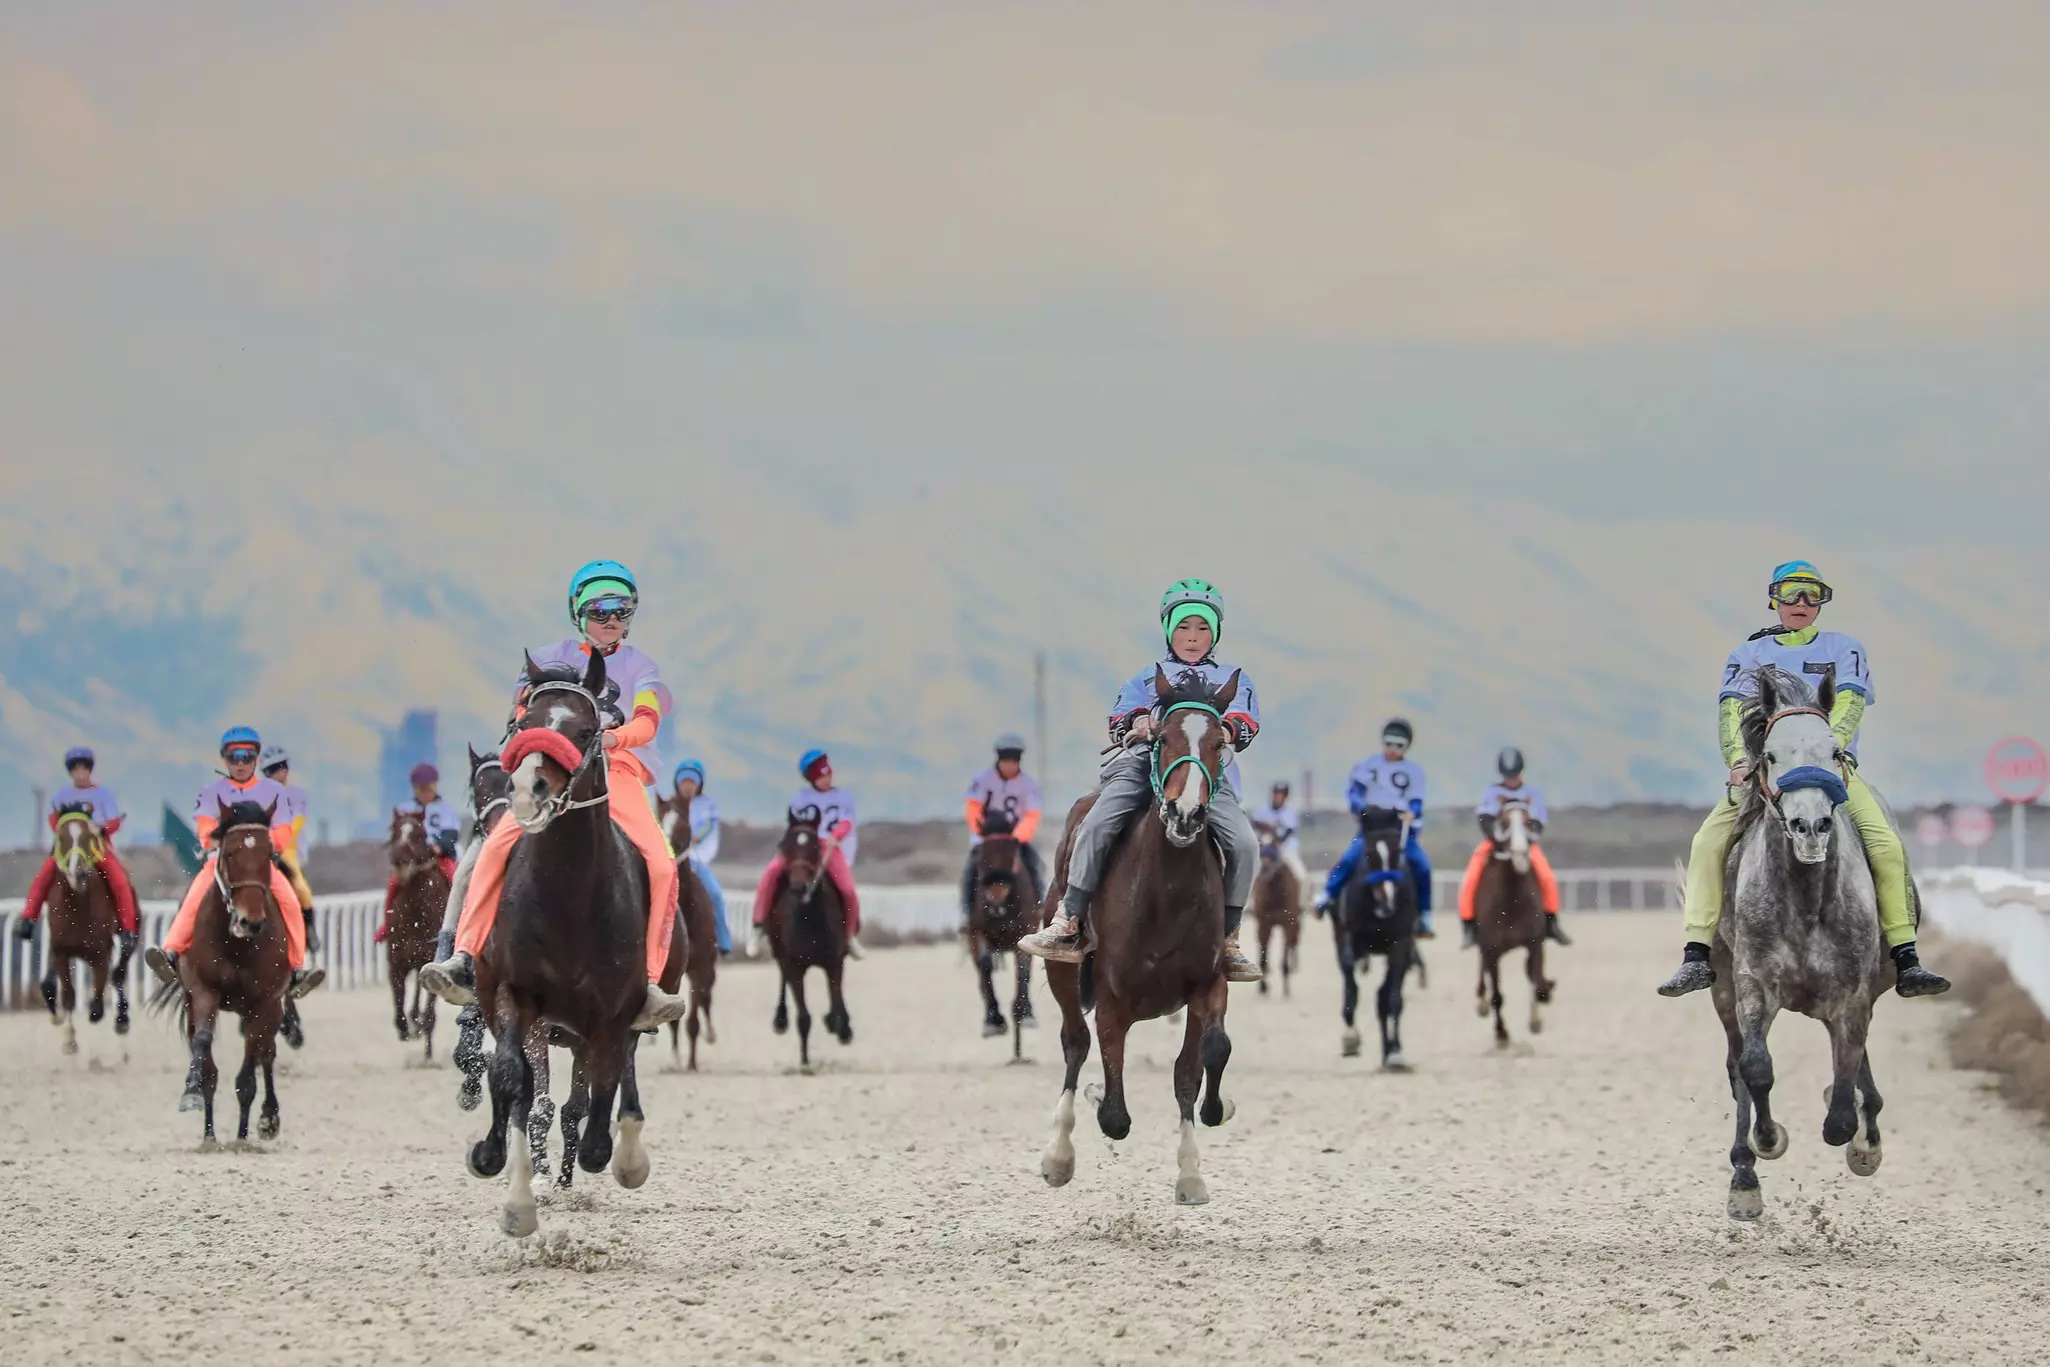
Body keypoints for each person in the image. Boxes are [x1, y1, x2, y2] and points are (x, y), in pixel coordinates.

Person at [419, 561, 691, 1030]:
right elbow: (521, 711)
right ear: (577, 612)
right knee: (495, 846)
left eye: (622, 609)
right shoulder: (547, 658)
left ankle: (647, 984)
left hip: (617, 771)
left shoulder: (642, 666)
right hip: (554, 768)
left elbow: (648, 721)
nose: (611, 619)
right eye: (599, 609)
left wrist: (612, 739)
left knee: (664, 866)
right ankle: (463, 958)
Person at [1658, 560, 1948, 998]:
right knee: (1706, 844)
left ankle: (1906, 957)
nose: (1801, 603)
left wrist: (1834, 751)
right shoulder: (1748, 654)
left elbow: (1849, 704)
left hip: (1832, 772)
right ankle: (1696, 955)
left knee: (1886, 847)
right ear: (1774, 598)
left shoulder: (1844, 647)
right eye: (1792, 592)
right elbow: (1731, 713)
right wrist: (1738, 760)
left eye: (1812, 594)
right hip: (1766, 775)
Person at [1017, 578, 1263, 981]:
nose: (1193, 637)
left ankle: (1230, 937)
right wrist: (1138, 721)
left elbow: (1246, 720)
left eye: (1203, 628)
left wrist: (1231, 730)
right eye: (1183, 627)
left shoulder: (1234, 678)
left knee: (1246, 843)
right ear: (1168, 629)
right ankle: (1070, 919)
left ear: (1215, 632)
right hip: (1143, 764)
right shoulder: (1145, 677)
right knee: (1096, 820)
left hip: (1205, 773)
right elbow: (1118, 719)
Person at [144, 727, 325, 997]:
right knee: (194, 897)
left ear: (256, 759)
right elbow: (204, 827)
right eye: (234, 756)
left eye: (247, 756)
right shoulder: (211, 792)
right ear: (224, 759)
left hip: (261, 863)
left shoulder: (274, 791)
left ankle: (297, 968)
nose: (240, 763)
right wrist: (211, 841)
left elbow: (284, 830)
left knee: (289, 900)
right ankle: (170, 952)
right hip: (222, 864)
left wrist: (265, 846)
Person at [1316, 719, 1436, 937]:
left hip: (1398, 830)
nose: (1392, 750)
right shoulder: (1368, 765)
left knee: (1422, 866)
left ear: (1406, 747)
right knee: (1350, 858)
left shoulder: (1414, 771)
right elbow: (1354, 792)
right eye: (1389, 744)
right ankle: (1327, 895)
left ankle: (1425, 915)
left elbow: (1417, 802)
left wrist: (1412, 812)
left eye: (1398, 746)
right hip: (1372, 827)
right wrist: (1361, 808)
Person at [15, 747, 140, 953]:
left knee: (119, 881)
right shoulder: (62, 795)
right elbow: (53, 820)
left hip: (95, 847)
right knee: (44, 875)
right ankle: (28, 918)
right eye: (76, 769)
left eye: (84, 769)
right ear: (71, 772)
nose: (80, 773)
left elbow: (114, 822)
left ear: (89, 770)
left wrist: (100, 829)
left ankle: (127, 929)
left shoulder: (103, 795)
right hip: (68, 847)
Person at [749, 750, 865, 959]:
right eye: (821, 777)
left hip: (829, 847)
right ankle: (758, 926)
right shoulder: (800, 798)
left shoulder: (843, 797)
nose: (826, 779)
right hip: (803, 846)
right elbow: (794, 825)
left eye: (828, 774)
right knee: (771, 874)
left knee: (848, 890)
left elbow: (848, 821)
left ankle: (850, 936)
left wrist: (836, 835)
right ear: (811, 779)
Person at [1457, 747, 1570, 949]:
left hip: (1525, 844)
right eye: (1507, 776)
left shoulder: (1532, 794)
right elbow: (1485, 820)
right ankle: (1469, 924)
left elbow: (1537, 823)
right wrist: (1497, 836)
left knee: (1546, 877)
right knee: (1471, 877)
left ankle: (1552, 922)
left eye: (1514, 775)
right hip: (1497, 843)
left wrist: (1527, 837)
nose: (1511, 779)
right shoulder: (1492, 793)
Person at [960, 733, 1047, 925]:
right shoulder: (982, 780)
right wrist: (982, 831)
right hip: (987, 838)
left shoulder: (1029, 785)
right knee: (971, 870)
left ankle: (1037, 909)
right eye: (1006, 761)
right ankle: (968, 916)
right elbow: (972, 807)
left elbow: (1032, 815)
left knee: (1036, 866)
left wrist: (1018, 837)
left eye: (1013, 761)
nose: (1009, 766)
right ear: (999, 760)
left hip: (1015, 840)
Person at [374, 763, 461, 944]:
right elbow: (398, 834)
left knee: (455, 880)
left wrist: (439, 846)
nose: (425, 792)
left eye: (428, 788)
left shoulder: (445, 809)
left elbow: (452, 834)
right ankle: (387, 924)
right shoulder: (405, 809)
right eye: (421, 789)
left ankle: (462, 921)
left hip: (440, 857)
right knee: (393, 885)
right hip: (414, 860)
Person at [259, 744, 321, 952]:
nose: (280, 772)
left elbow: (295, 825)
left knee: (302, 889)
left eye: (282, 766)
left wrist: (275, 841)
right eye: (274, 769)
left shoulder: (297, 795)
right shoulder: (258, 796)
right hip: (262, 851)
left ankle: (308, 931)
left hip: (288, 851)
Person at [672, 759, 732, 955]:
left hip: (696, 861)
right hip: (672, 859)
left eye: (692, 782)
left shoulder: (708, 806)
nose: (688, 786)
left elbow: (707, 831)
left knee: (715, 894)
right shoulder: (670, 804)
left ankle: (723, 941)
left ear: (699, 784)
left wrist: (694, 840)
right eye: (684, 782)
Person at [1248, 779, 1311, 890]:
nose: (1278, 796)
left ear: (1286, 796)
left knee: (1302, 877)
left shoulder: (1291, 813)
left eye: (1282, 794)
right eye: (1276, 793)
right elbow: (1254, 824)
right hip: (1264, 851)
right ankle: (1248, 905)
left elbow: (1287, 833)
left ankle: (1303, 905)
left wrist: (1275, 837)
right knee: (1249, 875)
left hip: (1286, 851)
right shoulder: (1262, 811)